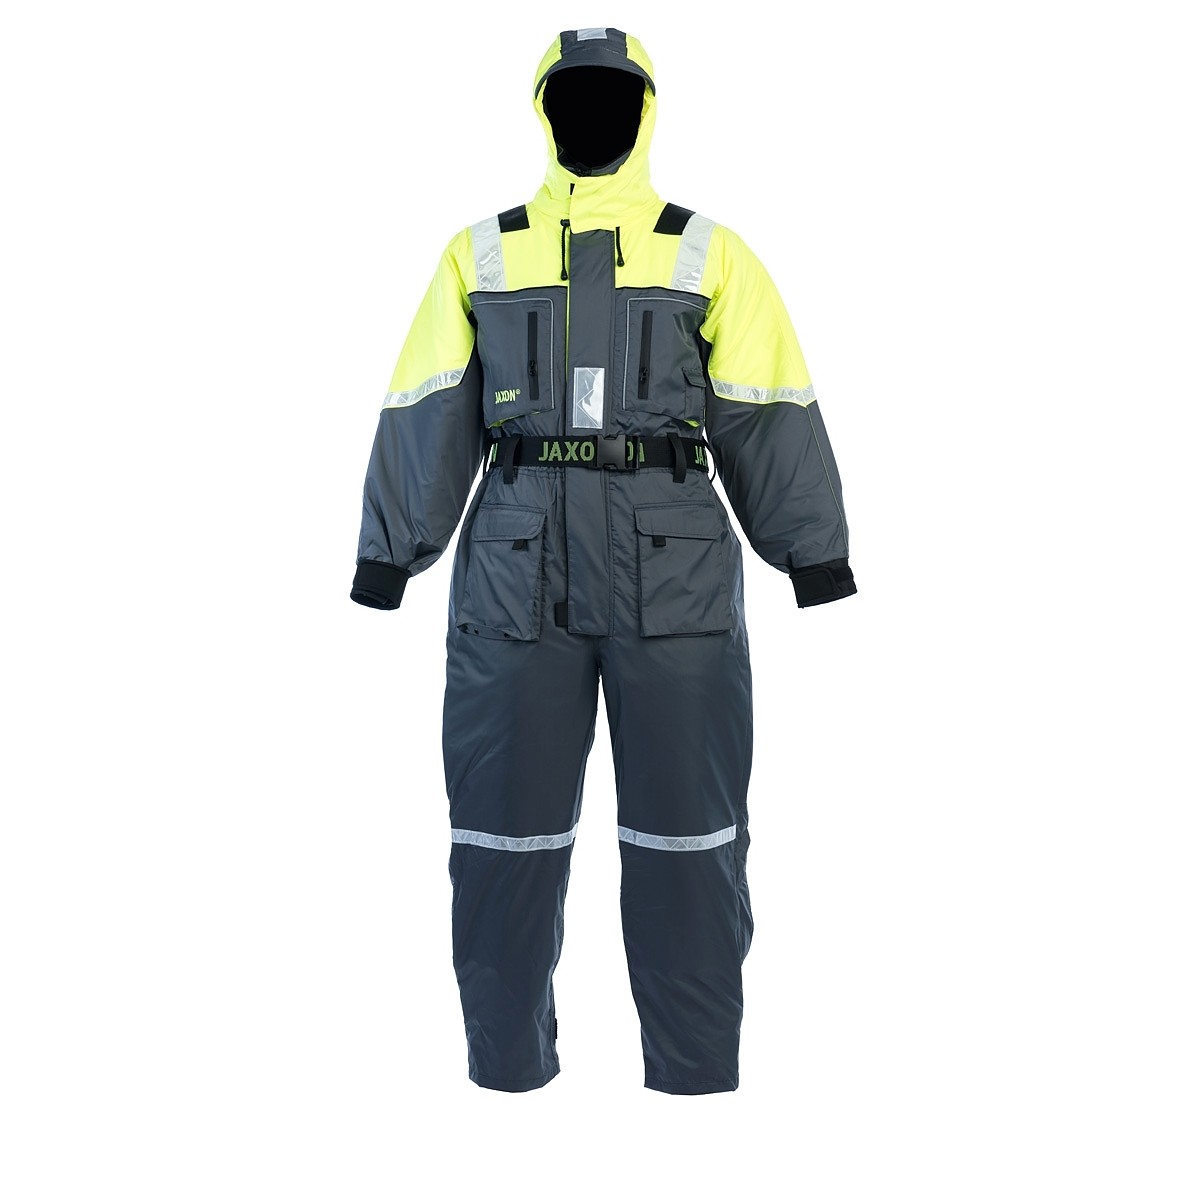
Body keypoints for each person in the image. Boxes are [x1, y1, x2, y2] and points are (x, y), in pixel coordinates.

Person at [350, 27, 857, 1094]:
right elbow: (428, 409)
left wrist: (812, 553)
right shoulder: (481, 252)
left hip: (673, 581)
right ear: (543, 111)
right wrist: (389, 553)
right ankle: (506, 1072)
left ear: (645, 110)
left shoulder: (707, 251)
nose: (595, 114)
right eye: (574, 97)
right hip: (514, 579)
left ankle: (694, 1078)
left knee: (691, 843)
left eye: (615, 96)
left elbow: (766, 405)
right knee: (502, 842)